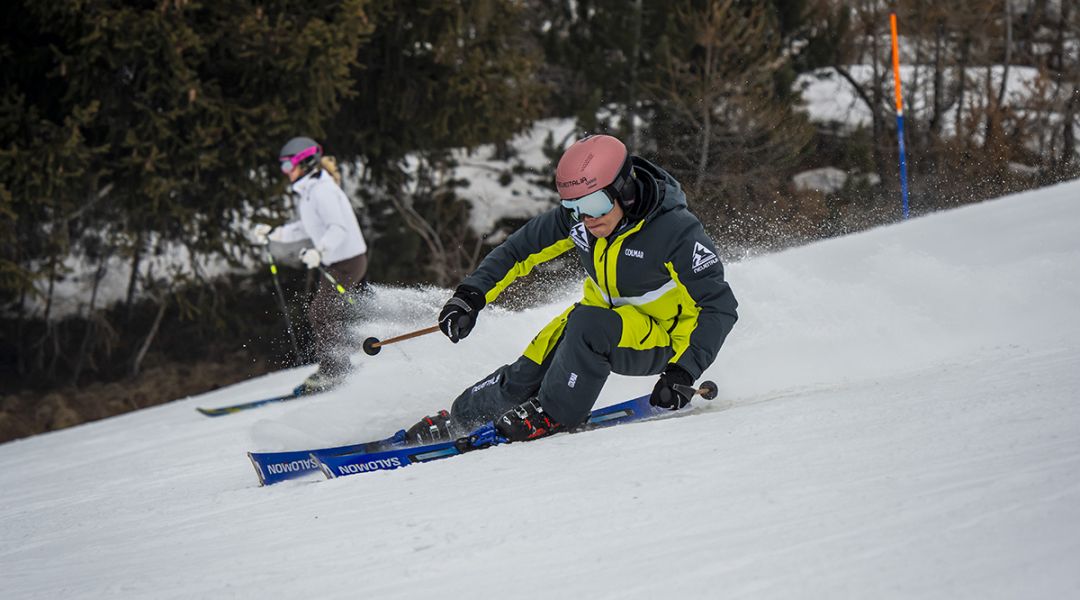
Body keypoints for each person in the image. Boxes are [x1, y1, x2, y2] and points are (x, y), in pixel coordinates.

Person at [406, 134, 738, 445]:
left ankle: (553, 413)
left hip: (664, 339)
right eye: (573, 207)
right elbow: (518, 250)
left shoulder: (675, 231)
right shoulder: (583, 220)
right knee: (527, 370)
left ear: (624, 189)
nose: (585, 218)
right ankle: (463, 418)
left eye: (594, 204)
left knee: (587, 327)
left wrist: (683, 371)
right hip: (597, 322)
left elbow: (718, 306)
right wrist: (469, 297)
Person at [251, 136, 369, 393]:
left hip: (347, 261)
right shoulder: (310, 191)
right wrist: (274, 233)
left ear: (304, 164)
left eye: (287, 166)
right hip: (335, 262)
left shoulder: (322, 191)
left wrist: (319, 250)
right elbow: (307, 227)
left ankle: (336, 370)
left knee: (322, 312)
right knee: (325, 312)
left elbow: (337, 228)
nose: (285, 172)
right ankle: (337, 366)